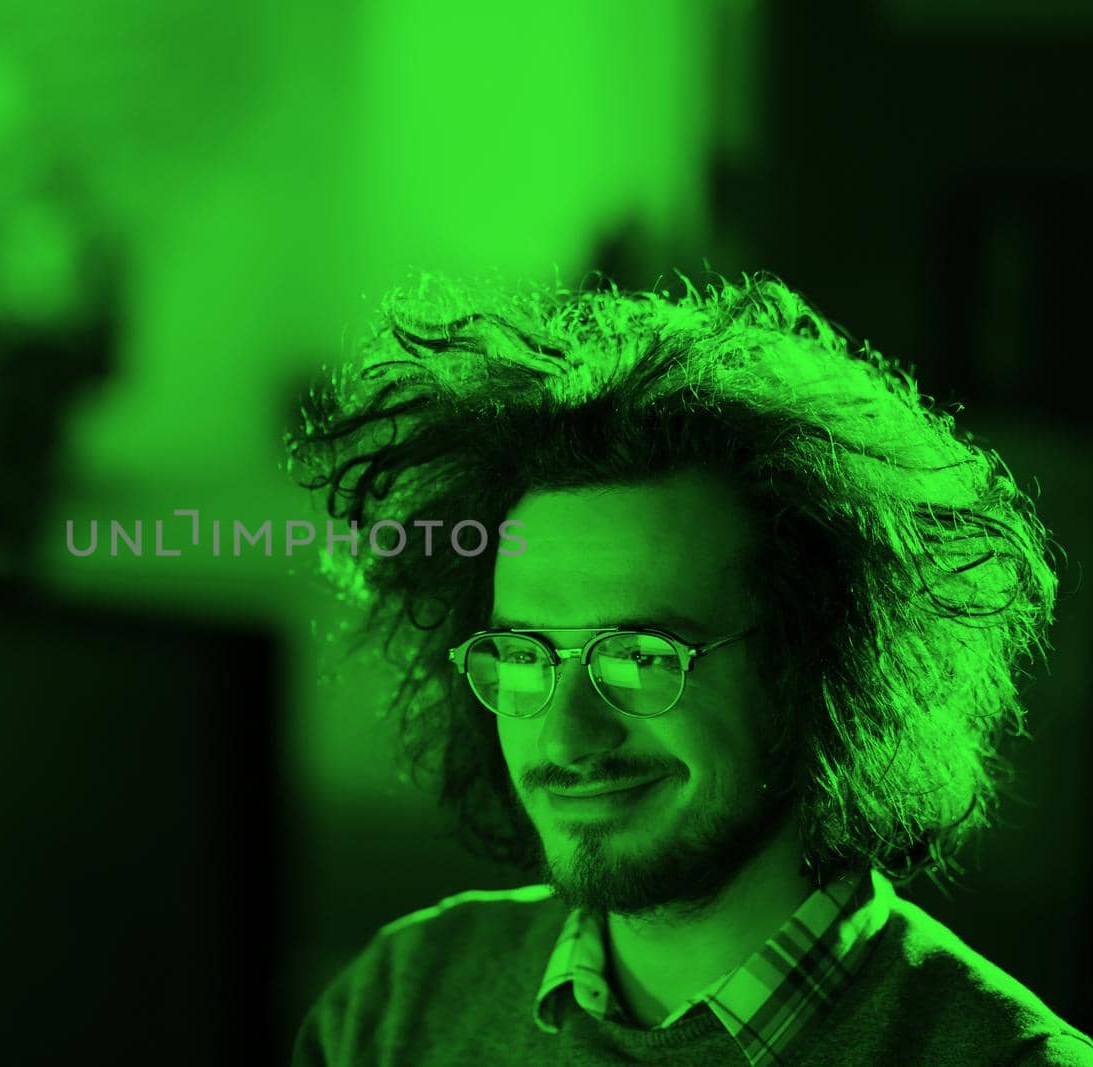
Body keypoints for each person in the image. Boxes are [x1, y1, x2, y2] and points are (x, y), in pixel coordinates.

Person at [284, 272, 1093, 1066]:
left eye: (640, 657)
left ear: (811, 664)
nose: (566, 732)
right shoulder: (401, 1002)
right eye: (524, 655)